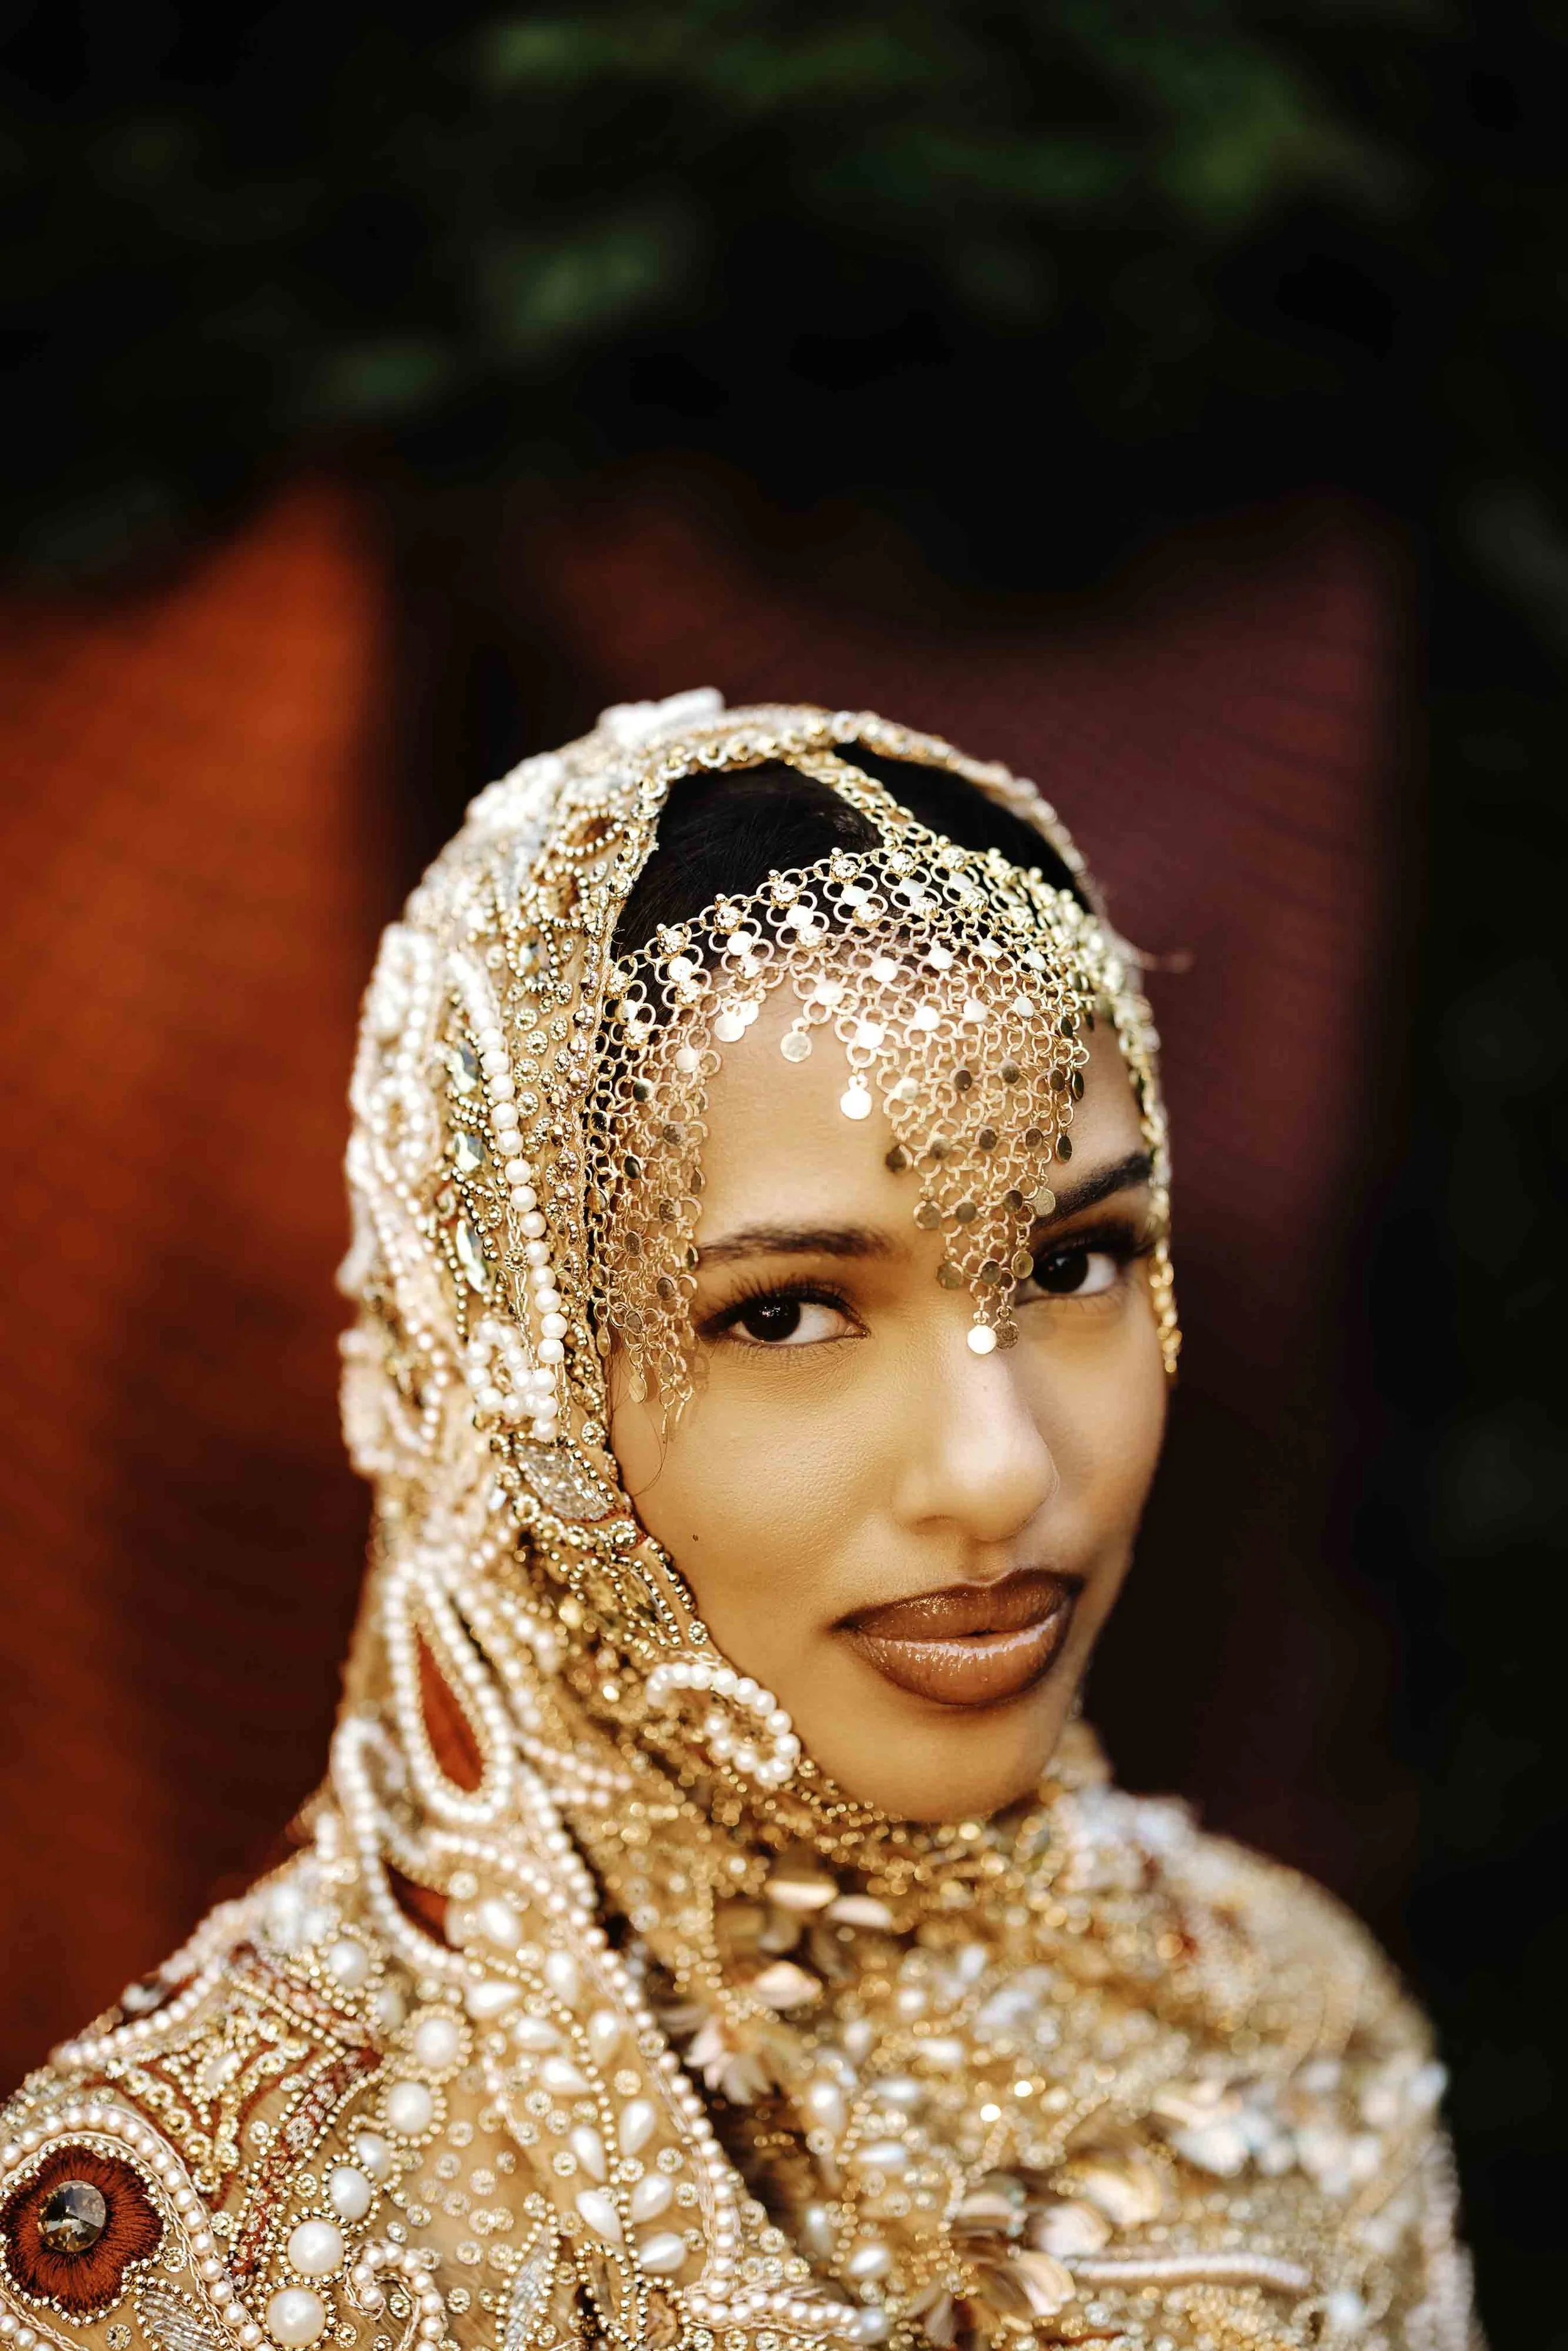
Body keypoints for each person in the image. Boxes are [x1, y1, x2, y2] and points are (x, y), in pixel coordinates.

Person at [0, 693, 1477, 2351]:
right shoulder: (213, 2235)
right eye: (784, 1312)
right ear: (513, 1375)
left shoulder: (1270, 2013)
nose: (996, 1468)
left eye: (1071, 1263)